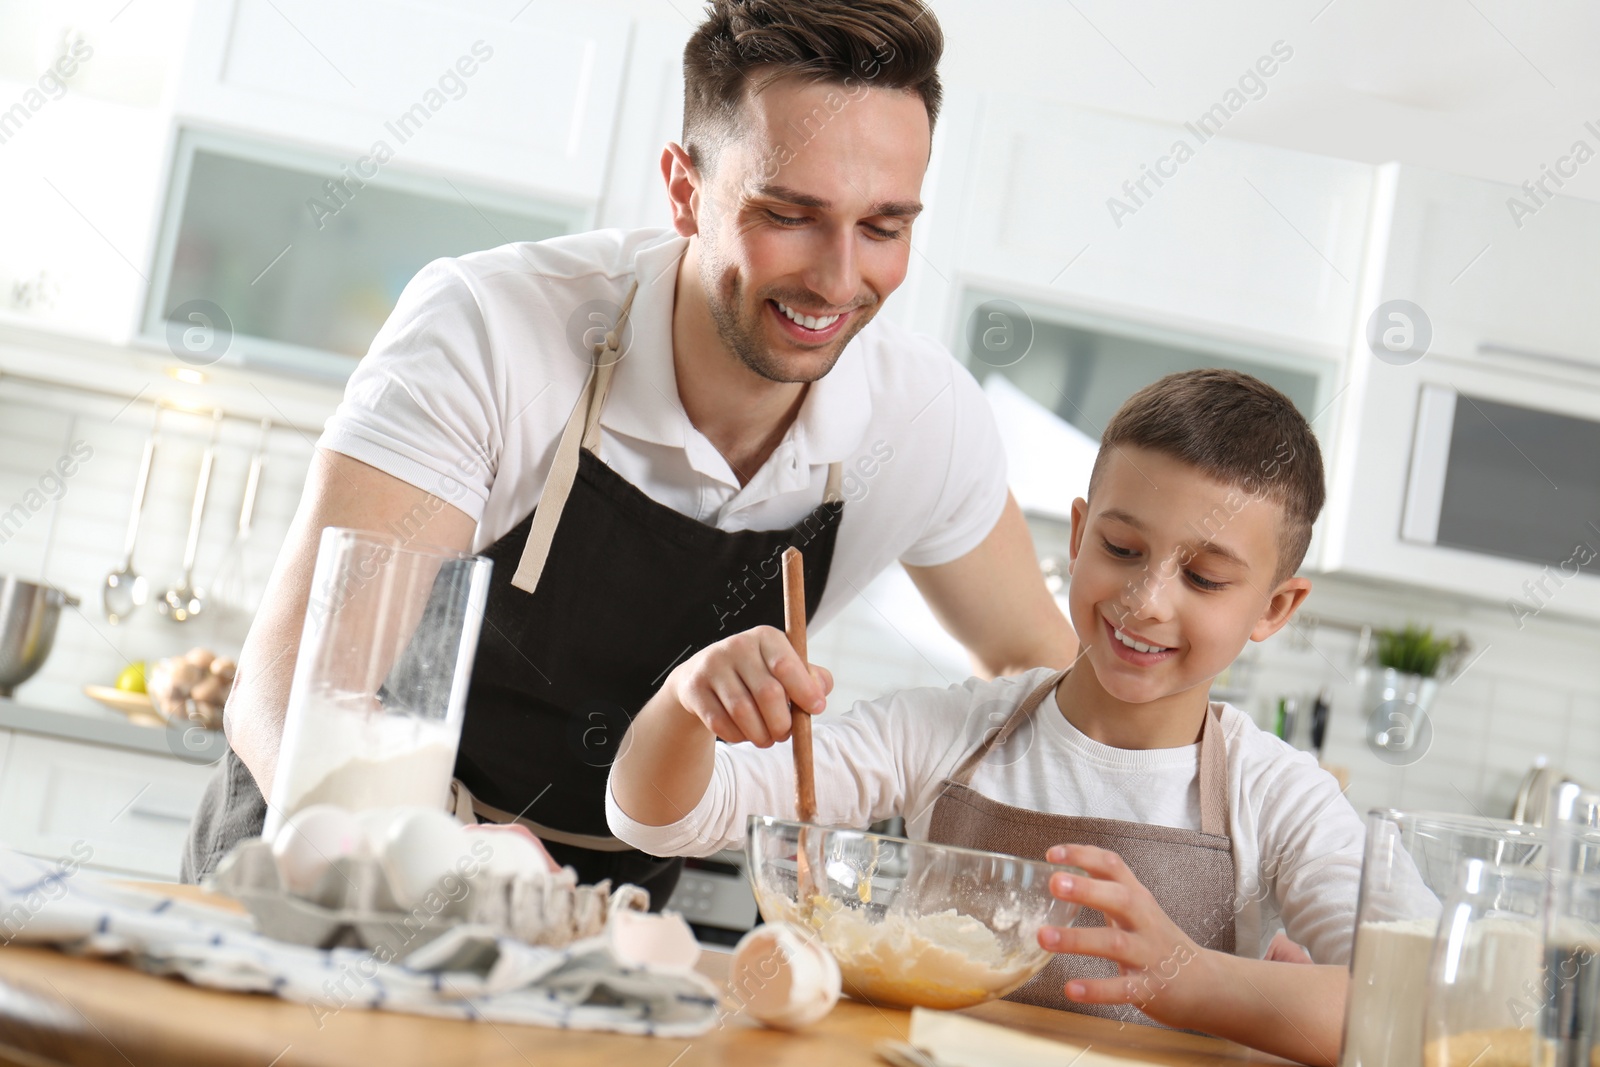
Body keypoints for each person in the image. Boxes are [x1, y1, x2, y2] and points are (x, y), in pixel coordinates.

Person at [180, 0, 1077, 902]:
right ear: (684, 190)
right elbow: (300, 695)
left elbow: (1051, 694)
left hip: (601, 913)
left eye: (884, 227)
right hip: (329, 861)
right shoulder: (491, 330)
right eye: (789, 214)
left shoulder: (921, 420)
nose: (841, 279)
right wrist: (459, 870)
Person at [607, 369, 1364, 1066]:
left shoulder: (1278, 796)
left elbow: (1420, 1004)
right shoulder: (948, 733)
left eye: (1203, 577)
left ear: (1274, 607)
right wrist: (684, 701)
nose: (1147, 600)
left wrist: (1196, 980)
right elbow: (660, 821)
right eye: (1122, 547)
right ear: (1076, 535)